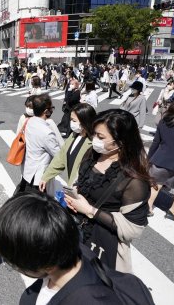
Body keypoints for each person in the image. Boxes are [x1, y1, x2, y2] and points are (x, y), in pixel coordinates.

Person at [0, 193, 150, 304]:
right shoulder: (76, 251)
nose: (12, 265)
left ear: (47, 265)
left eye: (13, 263)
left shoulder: (85, 299)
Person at [65, 109, 152, 272]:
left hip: (103, 246)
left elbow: (133, 229)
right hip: (73, 234)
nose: (94, 140)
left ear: (120, 142)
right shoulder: (92, 154)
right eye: (94, 134)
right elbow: (79, 181)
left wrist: (90, 210)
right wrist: (73, 197)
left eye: (101, 137)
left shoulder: (133, 180)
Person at [40, 103, 96, 191]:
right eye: (71, 119)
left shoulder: (93, 143)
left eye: (74, 120)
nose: (71, 123)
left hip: (84, 192)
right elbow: (61, 157)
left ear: (84, 122)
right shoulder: (74, 135)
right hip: (72, 188)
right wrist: (46, 177)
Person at [16, 95, 63, 193]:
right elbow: (59, 156)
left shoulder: (29, 121)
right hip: (38, 177)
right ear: (46, 111)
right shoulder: (47, 132)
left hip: (27, 171)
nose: (52, 110)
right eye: (51, 108)